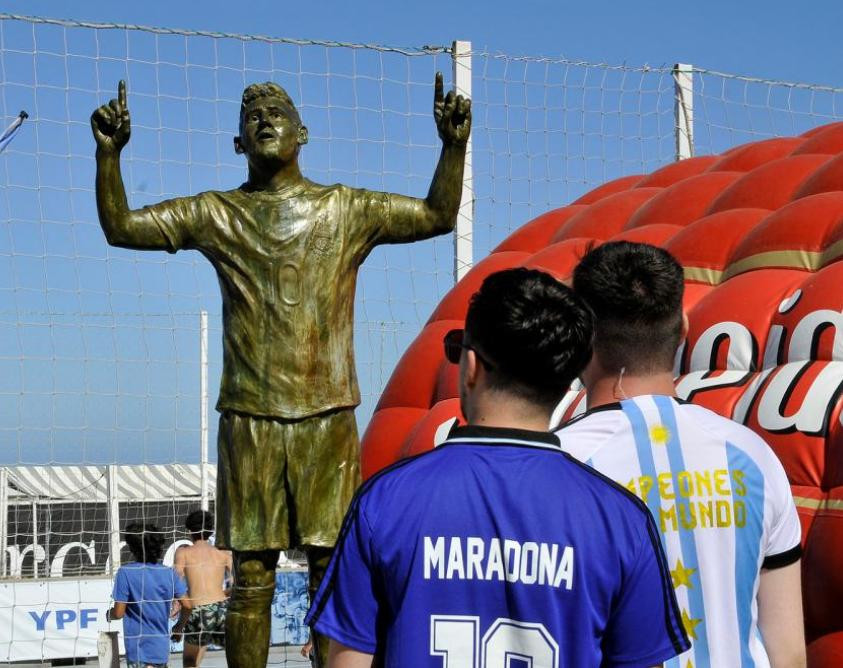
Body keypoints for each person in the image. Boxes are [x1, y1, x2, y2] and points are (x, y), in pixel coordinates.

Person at [92, 73, 469, 668]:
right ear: (238, 144)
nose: (264, 120)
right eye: (252, 117)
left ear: (303, 133)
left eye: (277, 112)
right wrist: (109, 157)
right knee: (251, 576)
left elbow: (436, 215)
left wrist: (452, 148)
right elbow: (123, 228)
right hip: (249, 416)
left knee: (331, 571)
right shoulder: (218, 213)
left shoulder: (346, 208)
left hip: (327, 415)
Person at [306, 267, 690, 667]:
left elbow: (348, 661)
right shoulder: (620, 519)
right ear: (566, 378)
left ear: (470, 365)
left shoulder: (385, 500)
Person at [557, 241, 806, 667]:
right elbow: (788, 652)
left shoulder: (556, 466)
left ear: (581, 337)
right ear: (684, 330)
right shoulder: (754, 457)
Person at [110, 522, 192, 668]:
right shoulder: (169, 573)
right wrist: (179, 627)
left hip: (138, 649)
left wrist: (109, 614)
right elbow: (187, 605)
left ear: (132, 548)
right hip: (160, 649)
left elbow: (118, 613)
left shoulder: (125, 573)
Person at [173, 510, 232, 667]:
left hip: (197, 610)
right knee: (235, 657)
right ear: (210, 530)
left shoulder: (183, 552)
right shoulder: (223, 553)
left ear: (190, 531)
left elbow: (176, 583)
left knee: (190, 661)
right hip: (221, 610)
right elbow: (239, 583)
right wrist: (222, 595)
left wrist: (179, 622)